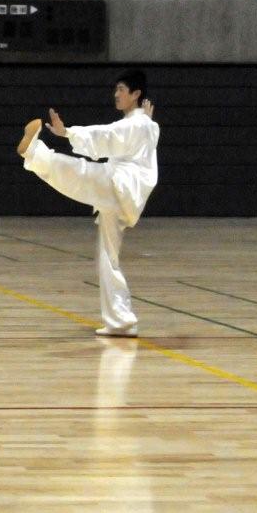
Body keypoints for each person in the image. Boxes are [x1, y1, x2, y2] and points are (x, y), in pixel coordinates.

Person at [17, 70, 159, 337]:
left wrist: (67, 132)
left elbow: (107, 136)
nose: (116, 94)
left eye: (121, 89)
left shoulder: (139, 124)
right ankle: (121, 321)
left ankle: (34, 153)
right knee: (108, 258)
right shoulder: (143, 124)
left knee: (81, 174)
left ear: (136, 94)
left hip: (121, 187)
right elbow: (120, 136)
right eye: (115, 89)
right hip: (122, 195)